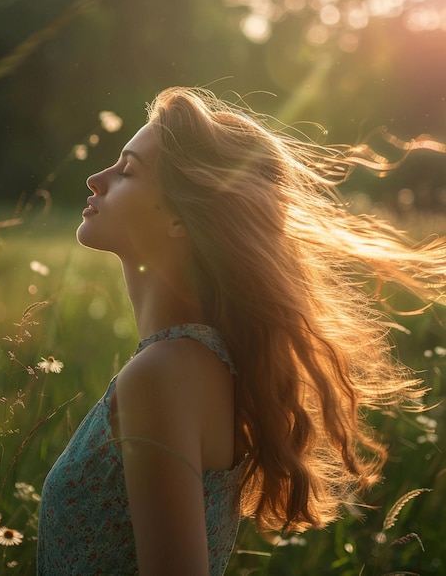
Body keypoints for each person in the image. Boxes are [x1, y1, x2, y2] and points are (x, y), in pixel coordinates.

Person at [37, 86, 446, 575]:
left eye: (127, 171)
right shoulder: (199, 364)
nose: (96, 179)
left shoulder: (163, 375)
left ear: (178, 219)